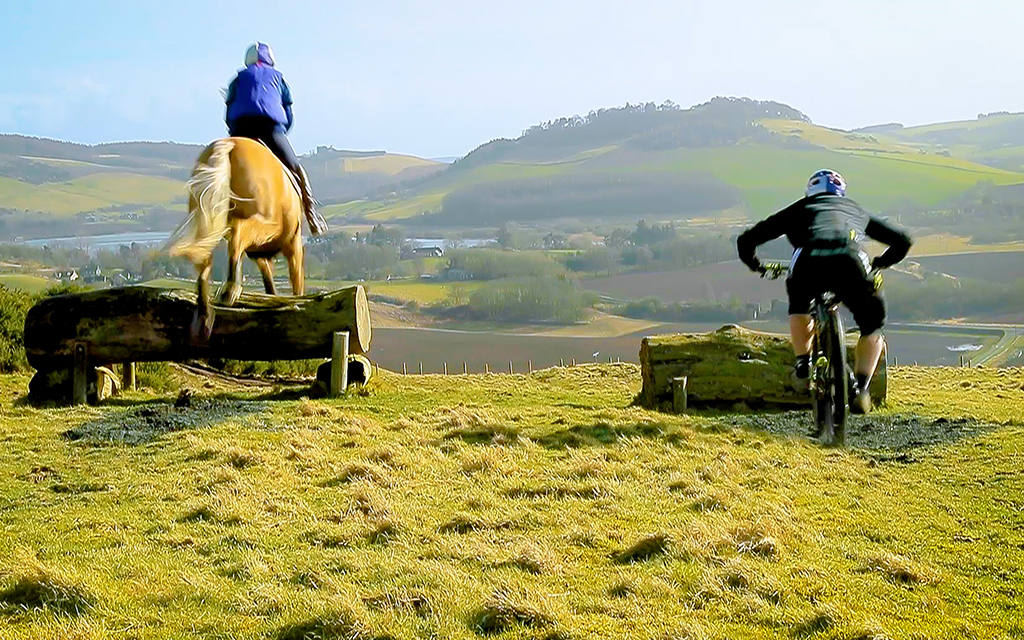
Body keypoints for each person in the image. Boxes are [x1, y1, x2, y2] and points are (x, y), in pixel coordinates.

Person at [736, 169, 912, 414]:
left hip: (809, 261)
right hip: (852, 262)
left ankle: (803, 364)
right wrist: (881, 262)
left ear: (810, 191)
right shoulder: (854, 209)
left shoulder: (800, 208)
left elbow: (746, 240)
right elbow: (903, 240)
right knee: (872, 328)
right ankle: (861, 389)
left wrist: (756, 265)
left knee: (799, 304)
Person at [225, 42, 327, 234]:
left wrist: (234, 131)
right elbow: (288, 115)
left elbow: (229, 113)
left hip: (240, 129)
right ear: (270, 60)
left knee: (223, 171)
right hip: (270, 128)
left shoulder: (237, 79)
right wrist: (281, 132)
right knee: (295, 167)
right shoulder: (279, 79)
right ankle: (312, 216)